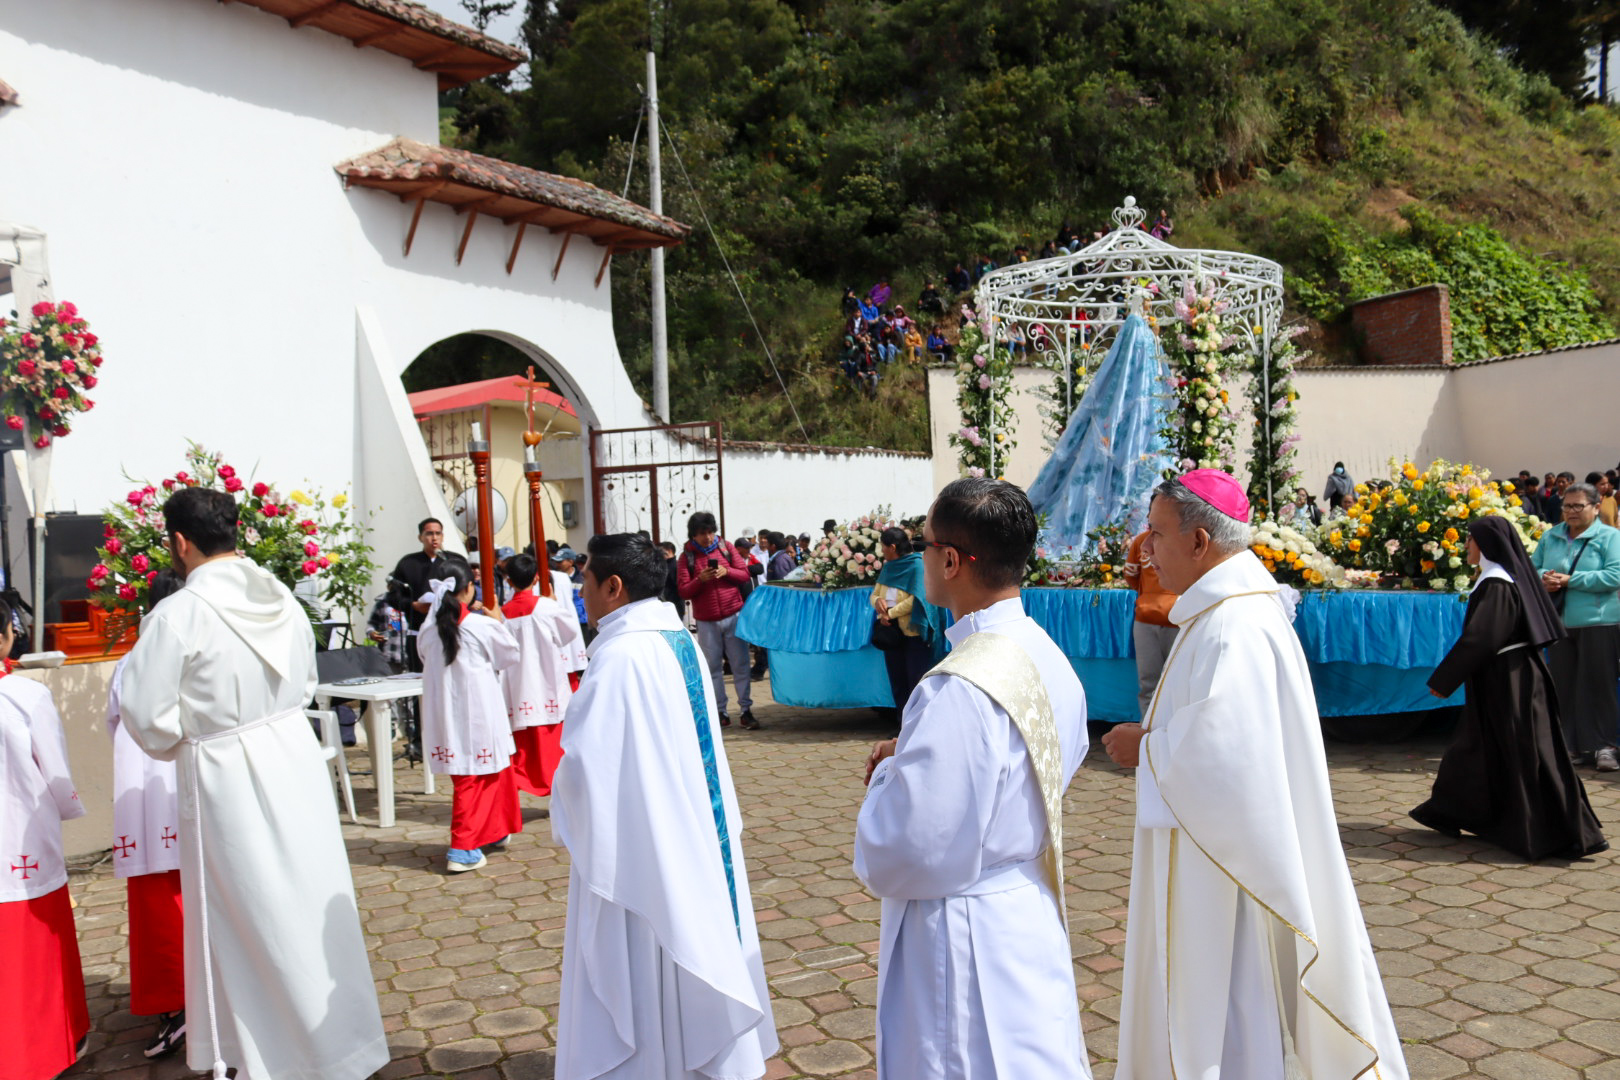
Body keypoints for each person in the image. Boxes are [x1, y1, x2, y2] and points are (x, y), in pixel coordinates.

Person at [1102, 471, 1405, 1080]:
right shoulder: (1224, 612)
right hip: (1213, 848)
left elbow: (1229, 752)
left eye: (1157, 534)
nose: (1146, 549)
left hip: (1220, 863)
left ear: (1199, 543)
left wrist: (1148, 748)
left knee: (1219, 1002)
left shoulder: (1233, 626)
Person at [119, 486, 387, 1080]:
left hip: (227, 772)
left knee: (249, 915)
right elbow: (306, 674)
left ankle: (268, 1058)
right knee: (305, 899)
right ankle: (339, 1043)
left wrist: (188, 731)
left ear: (180, 542)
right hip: (291, 755)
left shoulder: (180, 613)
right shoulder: (284, 599)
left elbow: (144, 714)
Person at [856, 478, 1090, 1077]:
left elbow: (913, 846)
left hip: (963, 932)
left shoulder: (957, 686)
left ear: (952, 560)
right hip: (1024, 905)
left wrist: (890, 777)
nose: (922, 556)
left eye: (926, 544)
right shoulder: (1044, 652)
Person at [552, 533, 778, 1078]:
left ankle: (649, 1062)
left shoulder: (623, 657)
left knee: (645, 946)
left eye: (584, 579)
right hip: (690, 826)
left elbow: (586, 769)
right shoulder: (674, 638)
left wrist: (564, 796)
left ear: (613, 585)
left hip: (639, 841)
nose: (580, 591)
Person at [1412, 517, 1607, 859]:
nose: (1466, 547)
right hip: (1506, 675)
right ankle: (1457, 812)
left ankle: (1560, 833)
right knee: (1485, 746)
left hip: (1512, 680)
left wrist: (1444, 680)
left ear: (1485, 545)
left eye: (1470, 541)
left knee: (1525, 752)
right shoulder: (1499, 579)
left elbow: (1481, 639)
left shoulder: (1498, 584)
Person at [1, 594, 89, 1080]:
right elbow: (55, 773)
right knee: (32, 952)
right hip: (20, 838)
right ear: (4, 637)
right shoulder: (26, 696)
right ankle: (42, 1047)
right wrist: (67, 808)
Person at [106, 570, 187, 1059]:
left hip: (144, 800)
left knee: (158, 902)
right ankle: (197, 1001)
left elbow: (115, 727)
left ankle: (176, 1005)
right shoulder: (196, 658)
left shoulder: (128, 663)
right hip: (185, 793)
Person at [419, 561, 524, 871]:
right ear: (468, 589)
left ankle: (493, 830)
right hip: (478, 710)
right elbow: (509, 656)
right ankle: (462, 847)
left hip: (445, 713)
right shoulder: (481, 626)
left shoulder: (428, 631)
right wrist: (498, 622)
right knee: (473, 777)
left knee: (492, 772)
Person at [1531, 482, 1620, 770]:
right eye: (1567, 506)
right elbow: (1533, 568)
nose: (1571, 511)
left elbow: (1614, 576)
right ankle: (1571, 746)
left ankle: (1605, 746)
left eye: (1578, 506)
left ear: (1596, 507)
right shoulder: (1551, 536)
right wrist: (1546, 578)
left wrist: (1570, 580)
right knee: (1564, 685)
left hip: (1599, 622)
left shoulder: (1609, 537)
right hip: (1557, 622)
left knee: (1598, 684)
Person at [500, 553, 577, 799]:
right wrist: (552, 602)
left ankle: (522, 779)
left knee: (523, 743)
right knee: (551, 738)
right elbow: (569, 634)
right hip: (547, 680)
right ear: (536, 578)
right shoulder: (548, 607)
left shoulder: (501, 614)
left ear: (508, 581)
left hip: (518, 683)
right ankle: (556, 784)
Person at [676, 511, 757, 729]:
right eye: (702, 533)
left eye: (711, 532)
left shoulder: (727, 548)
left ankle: (745, 710)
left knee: (740, 665)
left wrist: (726, 571)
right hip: (706, 621)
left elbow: (744, 574)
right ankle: (720, 711)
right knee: (713, 669)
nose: (708, 537)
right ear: (693, 535)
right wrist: (700, 580)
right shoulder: (687, 557)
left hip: (733, 615)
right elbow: (683, 591)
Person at [869, 526, 946, 718]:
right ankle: (903, 729)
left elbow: (918, 598)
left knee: (916, 683)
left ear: (892, 547)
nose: (881, 551)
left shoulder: (917, 565)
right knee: (898, 683)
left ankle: (919, 729)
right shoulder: (888, 568)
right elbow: (876, 593)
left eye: (883, 547)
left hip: (914, 634)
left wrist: (891, 613)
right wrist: (877, 602)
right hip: (892, 634)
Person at [1123, 528, 1179, 719]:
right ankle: (1149, 734)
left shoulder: (1143, 540)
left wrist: (1147, 595)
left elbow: (1130, 575)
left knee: (1152, 683)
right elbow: (1130, 573)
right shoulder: (1141, 540)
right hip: (1161, 617)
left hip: (1167, 618)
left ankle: (1155, 733)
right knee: (1155, 683)